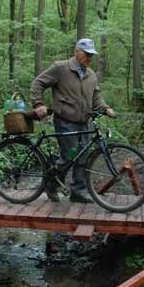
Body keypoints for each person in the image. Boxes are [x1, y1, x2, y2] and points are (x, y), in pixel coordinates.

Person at [30, 38, 115, 203]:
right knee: (71, 155)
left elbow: (96, 95)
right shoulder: (61, 68)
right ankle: (51, 182)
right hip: (65, 121)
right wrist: (38, 103)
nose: (90, 58)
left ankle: (78, 191)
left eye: (92, 55)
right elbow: (38, 83)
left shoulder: (91, 74)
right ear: (76, 52)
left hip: (85, 122)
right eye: (87, 54)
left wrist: (105, 108)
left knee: (82, 156)